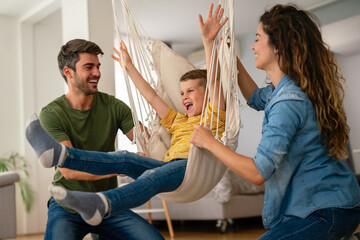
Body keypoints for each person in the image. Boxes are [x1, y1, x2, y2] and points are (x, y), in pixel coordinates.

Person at [26, 4, 227, 228]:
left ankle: (101, 204)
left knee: (152, 177)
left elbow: (215, 82)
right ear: (68, 72)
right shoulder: (178, 120)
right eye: (182, 93)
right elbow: (151, 96)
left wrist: (209, 43)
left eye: (191, 91)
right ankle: (59, 155)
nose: (184, 97)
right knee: (125, 158)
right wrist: (128, 66)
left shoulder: (213, 116)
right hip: (164, 168)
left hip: (191, 167)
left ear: (207, 94)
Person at [189, 4, 360, 240]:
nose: (253, 45)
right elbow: (254, 97)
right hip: (336, 204)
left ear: (279, 46)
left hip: (326, 210)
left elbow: (259, 172)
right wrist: (230, 56)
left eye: (258, 38)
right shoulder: (284, 90)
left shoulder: (288, 100)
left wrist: (209, 142)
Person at [36, 39, 165, 240]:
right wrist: (122, 165)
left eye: (98, 66)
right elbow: (69, 170)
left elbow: (149, 143)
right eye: (89, 67)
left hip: (108, 203)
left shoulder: (114, 106)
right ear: (69, 72)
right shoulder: (52, 113)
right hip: (67, 206)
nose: (97, 73)